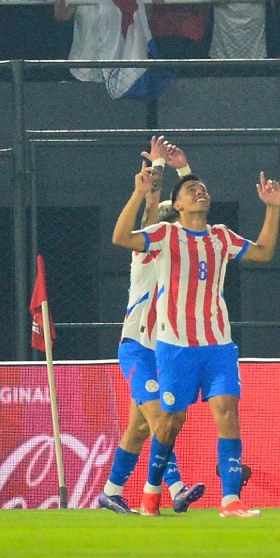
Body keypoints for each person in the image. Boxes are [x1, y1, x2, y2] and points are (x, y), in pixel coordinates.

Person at [111, 164, 280, 518]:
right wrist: (139, 192)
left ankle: (231, 500)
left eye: (202, 188)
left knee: (228, 412)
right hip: (174, 347)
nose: (199, 191)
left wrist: (273, 207)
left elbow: (264, 252)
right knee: (168, 424)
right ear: (178, 206)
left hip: (218, 343)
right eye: (191, 190)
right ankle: (151, 492)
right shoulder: (164, 235)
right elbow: (121, 238)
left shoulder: (221, 236)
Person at [98, 136, 206, 516]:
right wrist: (157, 171)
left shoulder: (180, 250)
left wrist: (184, 171)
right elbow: (150, 210)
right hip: (136, 347)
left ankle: (111, 492)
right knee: (161, 418)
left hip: (163, 348)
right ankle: (175, 487)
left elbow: (194, 215)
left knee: (140, 429)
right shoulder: (146, 249)